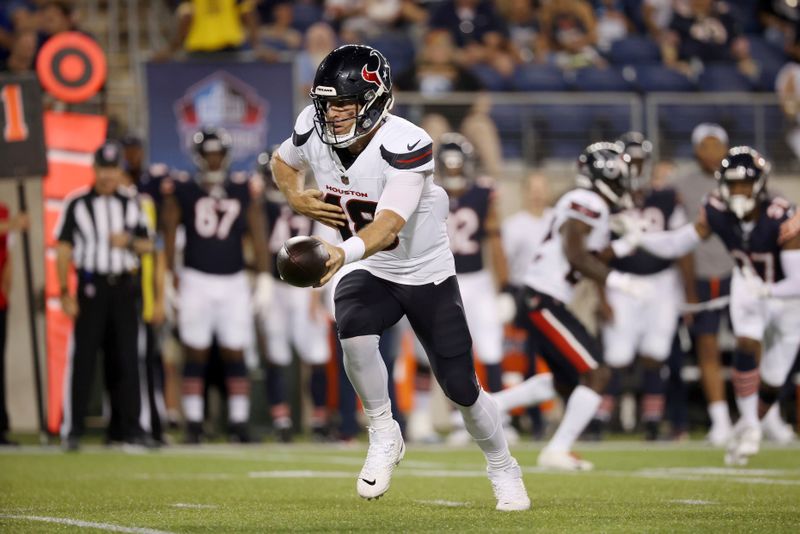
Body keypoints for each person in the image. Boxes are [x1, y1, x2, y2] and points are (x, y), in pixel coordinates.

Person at [271, 44, 529, 511]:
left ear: (374, 101)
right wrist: (294, 195)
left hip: (424, 271)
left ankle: (502, 464)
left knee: (462, 390)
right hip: (373, 267)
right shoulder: (312, 127)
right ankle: (384, 430)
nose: (332, 115)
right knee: (350, 327)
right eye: (327, 104)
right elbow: (282, 161)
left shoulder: (407, 143)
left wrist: (337, 251)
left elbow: (389, 224)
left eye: (344, 105)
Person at [624, 146, 800, 465]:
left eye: (745, 183)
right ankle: (749, 429)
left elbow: (797, 281)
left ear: (760, 183)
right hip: (748, 284)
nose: (738, 191)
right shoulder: (716, 208)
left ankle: (750, 424)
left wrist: (768, 290)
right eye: (732, 184)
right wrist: (641, 239)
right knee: (747, 342)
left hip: (788, 299)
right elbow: (680, 241)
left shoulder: (781, 215)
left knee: (773, 380)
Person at [491, 142, 647, 470]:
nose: (623, 185)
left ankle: (490, 406)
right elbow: (576, 255)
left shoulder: (588, 204)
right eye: (618, 177)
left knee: (567, 381)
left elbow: (583, 259)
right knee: (596, 373)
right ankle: (557, 449)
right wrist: (618, 281)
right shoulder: (586, 201)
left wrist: (624, 245)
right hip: (542, 298)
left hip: (544, 298)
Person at [160, 127, 272, 444]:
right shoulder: (182, 188)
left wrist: (263, 276)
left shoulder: (240, 188)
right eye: (208, 154)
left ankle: (238, 422)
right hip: (196, 278)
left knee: (235, 351)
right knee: (194, 352)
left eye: (217, 154)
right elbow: (169, 232)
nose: (213, 160)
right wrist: (168, 276)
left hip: (234, 280)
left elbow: (257, 232)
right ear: (198, 157)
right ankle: (193, 423)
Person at [56, 141, 154, 451]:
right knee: (83, 358)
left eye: (113, 169)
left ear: (118, 171)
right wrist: (63, 291)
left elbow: (148, 245)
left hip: (123, 287)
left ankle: (129, 428)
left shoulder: (131, 202)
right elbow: (63, 248)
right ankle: (73, 429)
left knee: (126, 358)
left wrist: (127, 242)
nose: (109, 175)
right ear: (95, 169)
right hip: (91, 286)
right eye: (104, 169)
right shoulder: (77, 203)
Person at [592, 132, 687, 441]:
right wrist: (600, 295)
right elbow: (595, 254)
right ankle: (601, 419)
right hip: (621, 282)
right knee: (616, 356)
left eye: (640, 162)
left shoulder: (667, 197)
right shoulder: (609, 200)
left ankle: (652, 420)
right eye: (629, 162)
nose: (635, 168)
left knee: (655, 353)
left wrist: (689, 296)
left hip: (661, 282)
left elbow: (681, 246)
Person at [257, 149, 331, 442]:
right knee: (276, 354)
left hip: (305, 288)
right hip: (274, 286)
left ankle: (319, 420)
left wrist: (318, 293)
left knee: (316, 355)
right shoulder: (259, 205)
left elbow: (324, 244)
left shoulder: (312, 201)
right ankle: (282, 420)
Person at [671, 123, 734, 446]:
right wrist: (690, 288)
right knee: (707, 347)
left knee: (754, 344)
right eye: (706, 146)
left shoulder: (743, 177)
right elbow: (680, 240)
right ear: (697, 150)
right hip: (706, 274)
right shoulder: (684, 185)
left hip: (741, 274)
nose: (712, 153)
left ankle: (765, 417)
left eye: (717, 145)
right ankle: (720, 419)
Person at [0, 204, 28, 446]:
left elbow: (8, 253)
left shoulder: (4, 211)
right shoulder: (8, 219)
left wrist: (6, 291)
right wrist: (12, 224)